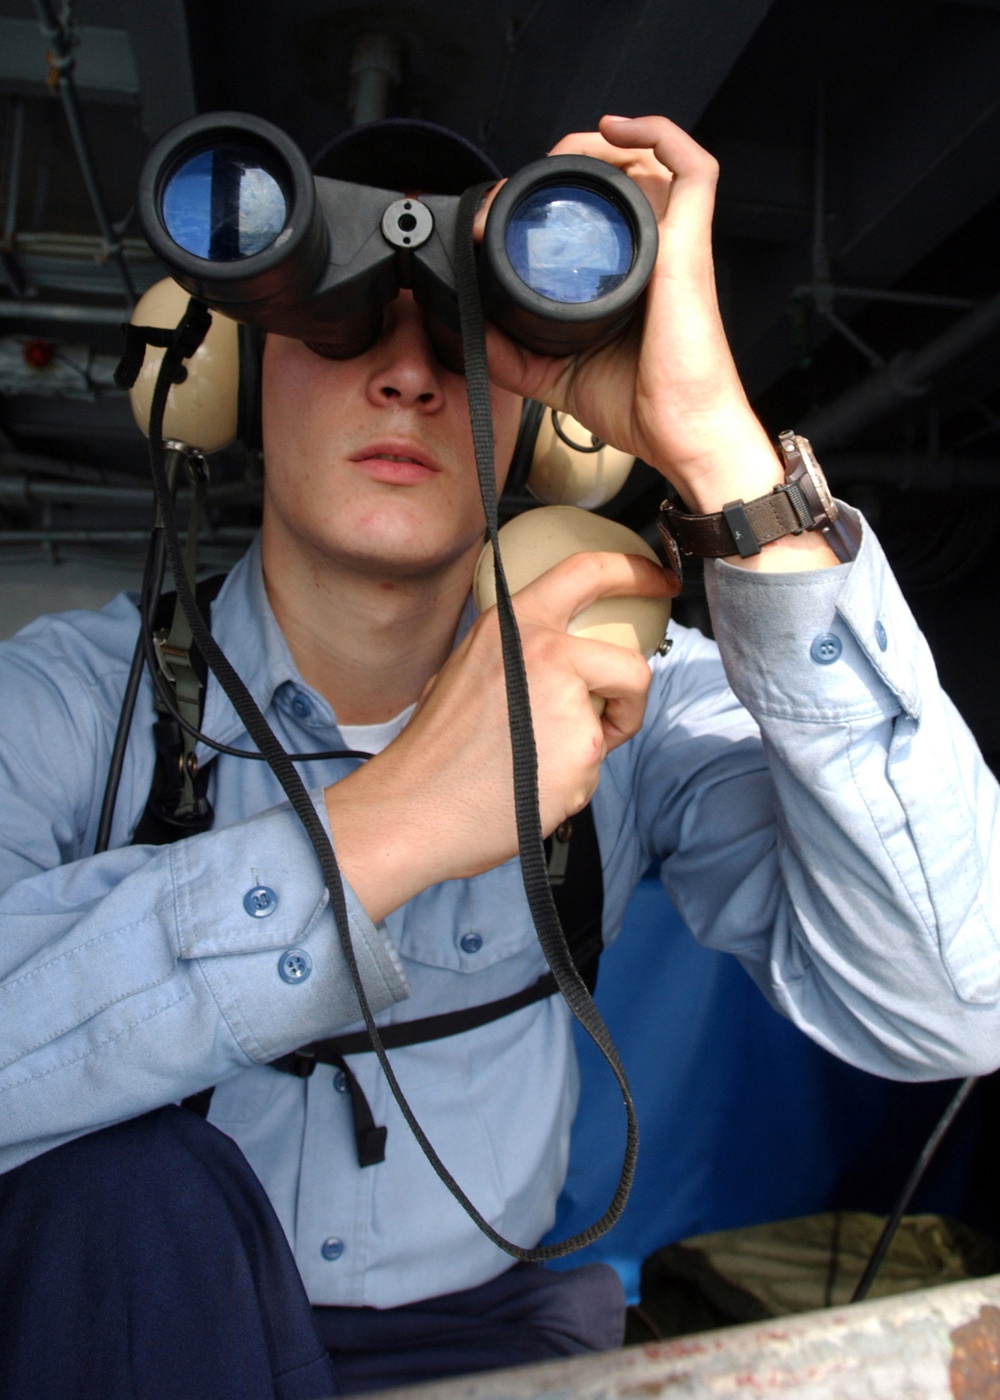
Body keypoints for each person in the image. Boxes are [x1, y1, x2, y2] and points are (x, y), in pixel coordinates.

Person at [1, 112, 998, 1400]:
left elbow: (958, 998)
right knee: (121, 1187)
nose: (408, 375)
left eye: (461, 333)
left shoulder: (620, 698)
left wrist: (719, 451)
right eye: (338, 316)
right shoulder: (70, 704)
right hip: (147, 1327)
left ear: (540, 429)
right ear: (234, 378)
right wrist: (389, 825)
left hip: (494, 1339)